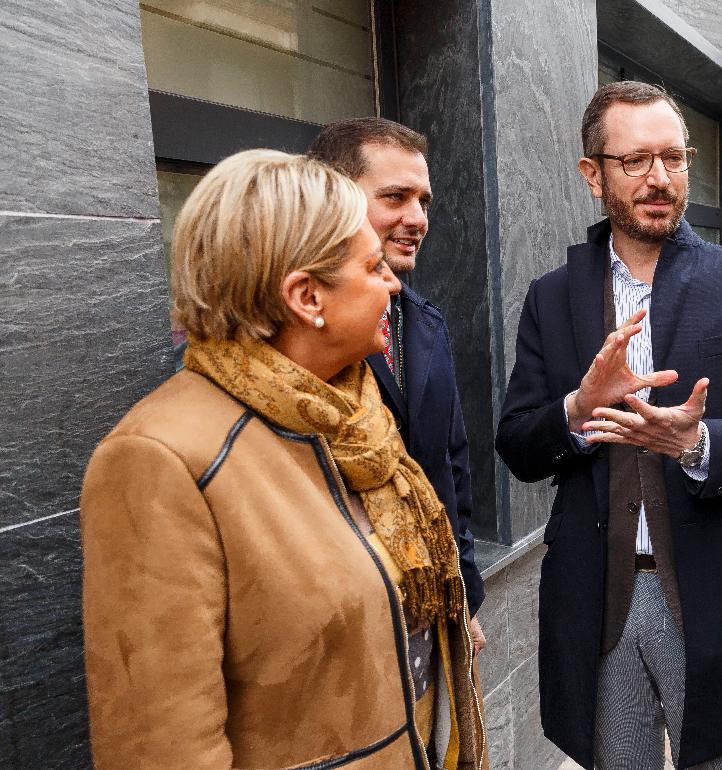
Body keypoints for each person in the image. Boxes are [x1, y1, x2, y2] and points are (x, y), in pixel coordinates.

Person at [80, 150, 487, 769]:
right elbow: (163, 749)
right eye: (374, 266)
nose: (395, 284)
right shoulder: (159, 460)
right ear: (306, 297)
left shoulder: (353, 412)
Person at [495, 81, 722, 770]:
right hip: (598, 595)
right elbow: (518, 445)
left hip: (714, 590)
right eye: (636, 161)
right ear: (594, 174)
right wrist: (577, 412)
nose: (660, 178)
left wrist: (698, 443)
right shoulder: (552, 299)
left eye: (673, 158)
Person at [308, 118, 487, 653]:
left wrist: (464, 594)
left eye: (424, 201)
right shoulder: (300, 336)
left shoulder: (424, 323)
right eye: (395, 197)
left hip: (429, 616)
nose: (417, 219)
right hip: (343, 633)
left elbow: (450, 467)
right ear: (332, 198)